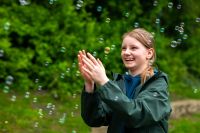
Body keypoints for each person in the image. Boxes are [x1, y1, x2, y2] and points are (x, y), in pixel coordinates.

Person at [77, 28, 171, 133]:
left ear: (149, 53)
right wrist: (89, 85)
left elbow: (137, 115)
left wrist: (104, 82)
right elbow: (94, 119)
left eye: (133, 48)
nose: (126, 52)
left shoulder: (158, 83)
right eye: (123, 48)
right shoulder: (119, 84)